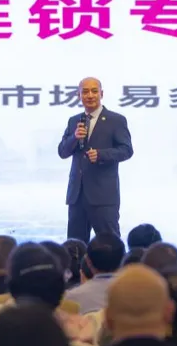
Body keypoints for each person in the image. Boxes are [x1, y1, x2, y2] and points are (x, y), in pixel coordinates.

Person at [57, 76, 133, 241]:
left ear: (101, 94)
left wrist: (101, 154)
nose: (90, 95)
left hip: (103, 195)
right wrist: (74, 137)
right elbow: (62, 151)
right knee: (75, 246)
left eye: (94, 91)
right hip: (77, 195)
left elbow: (126, 150)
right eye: (85, 92)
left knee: (110, 244)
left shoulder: (116, 120)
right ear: (78, 95)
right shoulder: (74, 121)